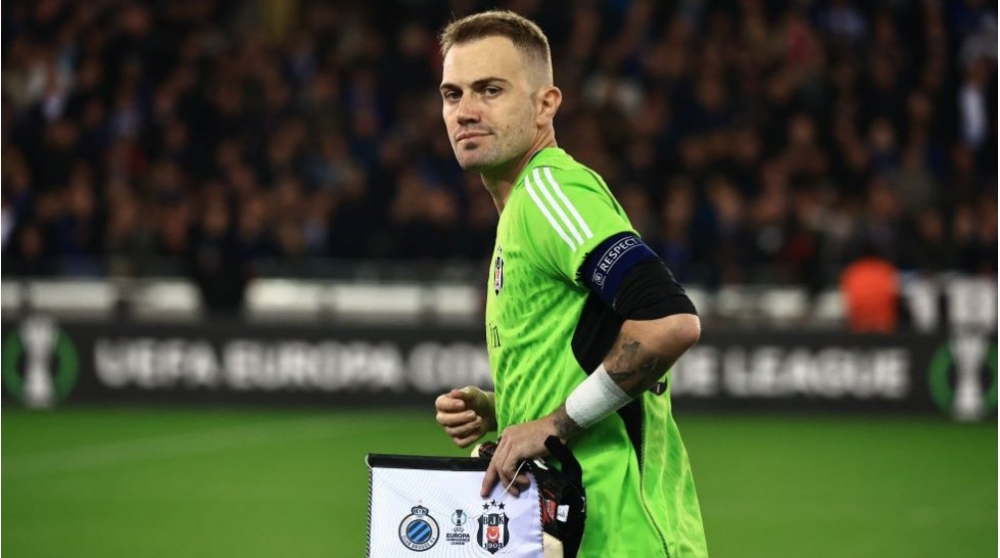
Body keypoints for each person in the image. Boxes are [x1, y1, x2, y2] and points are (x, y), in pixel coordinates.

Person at [432, 11, 708, 558]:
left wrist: (553, 425)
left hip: (621, 538)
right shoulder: (522, 210)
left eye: (490, 90)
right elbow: (588, 351)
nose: (465, 110)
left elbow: (668, 323)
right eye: (452, 94)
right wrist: (505, 409)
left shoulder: (549, 192)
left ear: (546, 104)